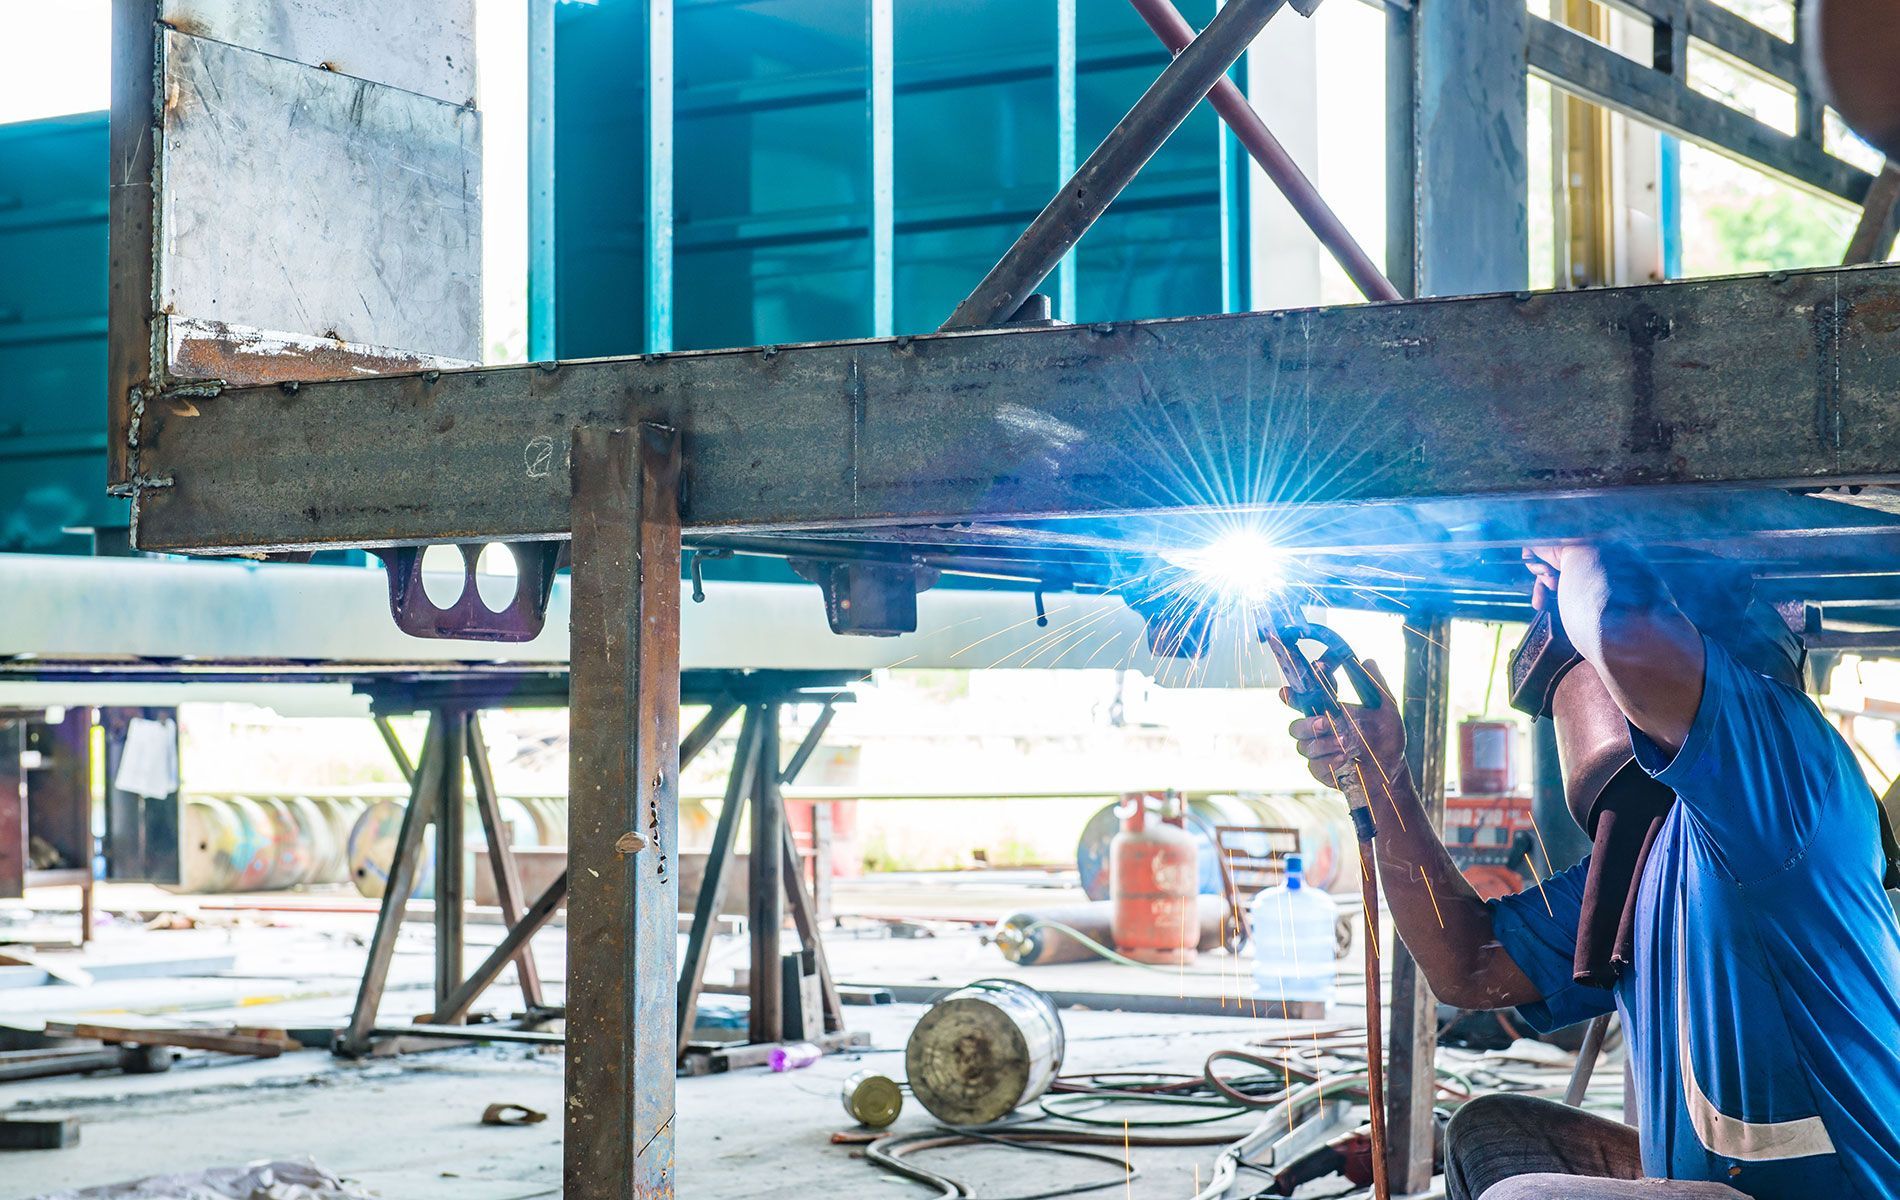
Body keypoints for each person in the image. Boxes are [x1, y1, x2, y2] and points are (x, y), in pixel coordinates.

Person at [1286, 543, 1900, 1200]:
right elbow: (1467, 966)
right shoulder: (1649, 852)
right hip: (1715, 1186)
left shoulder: (1781, 777)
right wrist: (1387, 779)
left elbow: (1625, 631)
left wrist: (1574, 534)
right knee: (1492, 1138)